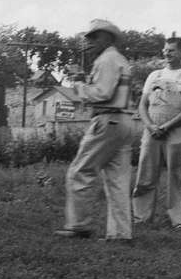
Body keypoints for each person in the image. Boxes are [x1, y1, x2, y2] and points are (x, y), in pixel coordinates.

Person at [55, 19, 136, 242]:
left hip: (107, 118)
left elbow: (102, 93)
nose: (88, 41)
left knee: (80, 171)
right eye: (87, 37)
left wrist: (78, 85)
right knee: (118, 180)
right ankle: (120, 233)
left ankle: (78, 226)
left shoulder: (106, 59)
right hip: (126, 121)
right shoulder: (119, 59)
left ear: (108, 38)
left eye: (94, 37)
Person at [132, 35, 181, 229]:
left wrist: (167, 126)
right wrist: (150, 126)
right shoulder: (154, 75)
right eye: (165, 50)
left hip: (176, 130)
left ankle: (180, 220)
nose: (167, 54)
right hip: (152, 131)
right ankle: (141, 217)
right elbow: (142, 105)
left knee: (178, 174)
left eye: (171, 50)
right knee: (145, 173)